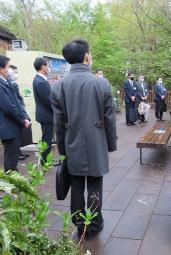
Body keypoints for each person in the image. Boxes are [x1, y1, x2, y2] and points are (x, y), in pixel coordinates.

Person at [50, 39, 117, 239]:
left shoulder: (57, 87)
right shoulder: (101, 83)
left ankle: (79, 224)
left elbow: (59, 125)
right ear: (87, 56)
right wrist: (111, 144)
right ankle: (94, 224)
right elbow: (109, 118)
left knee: (77, 186)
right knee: (95, 184)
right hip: (96, 143)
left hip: (72, 144)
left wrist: (63, 151)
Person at [0, 55, 31, 171]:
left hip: (13, 125)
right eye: (8, 67)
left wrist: (25, 117)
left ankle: (14, 179)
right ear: (1, 69)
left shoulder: (7, 82)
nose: (10, 70)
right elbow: (8, 108)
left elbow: (18, 102)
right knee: (10, 157)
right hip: (8, 127)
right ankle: (11, 183)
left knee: (13, 157)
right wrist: (22, 120)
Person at [8, 65, 32, 159]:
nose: (16, 74)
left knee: (20, 134)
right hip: (16, 112)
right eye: (14, 72)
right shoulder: (10, 84)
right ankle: (16, 154)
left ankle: (19, 152)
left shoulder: (13, 83)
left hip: (20, 109)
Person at [33, 57, 54, 164]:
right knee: (47, 139)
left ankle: (45, 159)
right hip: (46, 115)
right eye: (48, 65)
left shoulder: (40, 80)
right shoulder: (40, 81)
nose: (49, 68)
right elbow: (48, 101)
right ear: (43, 67)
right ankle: (45, 160)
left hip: (46, 115)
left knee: (47, 138)